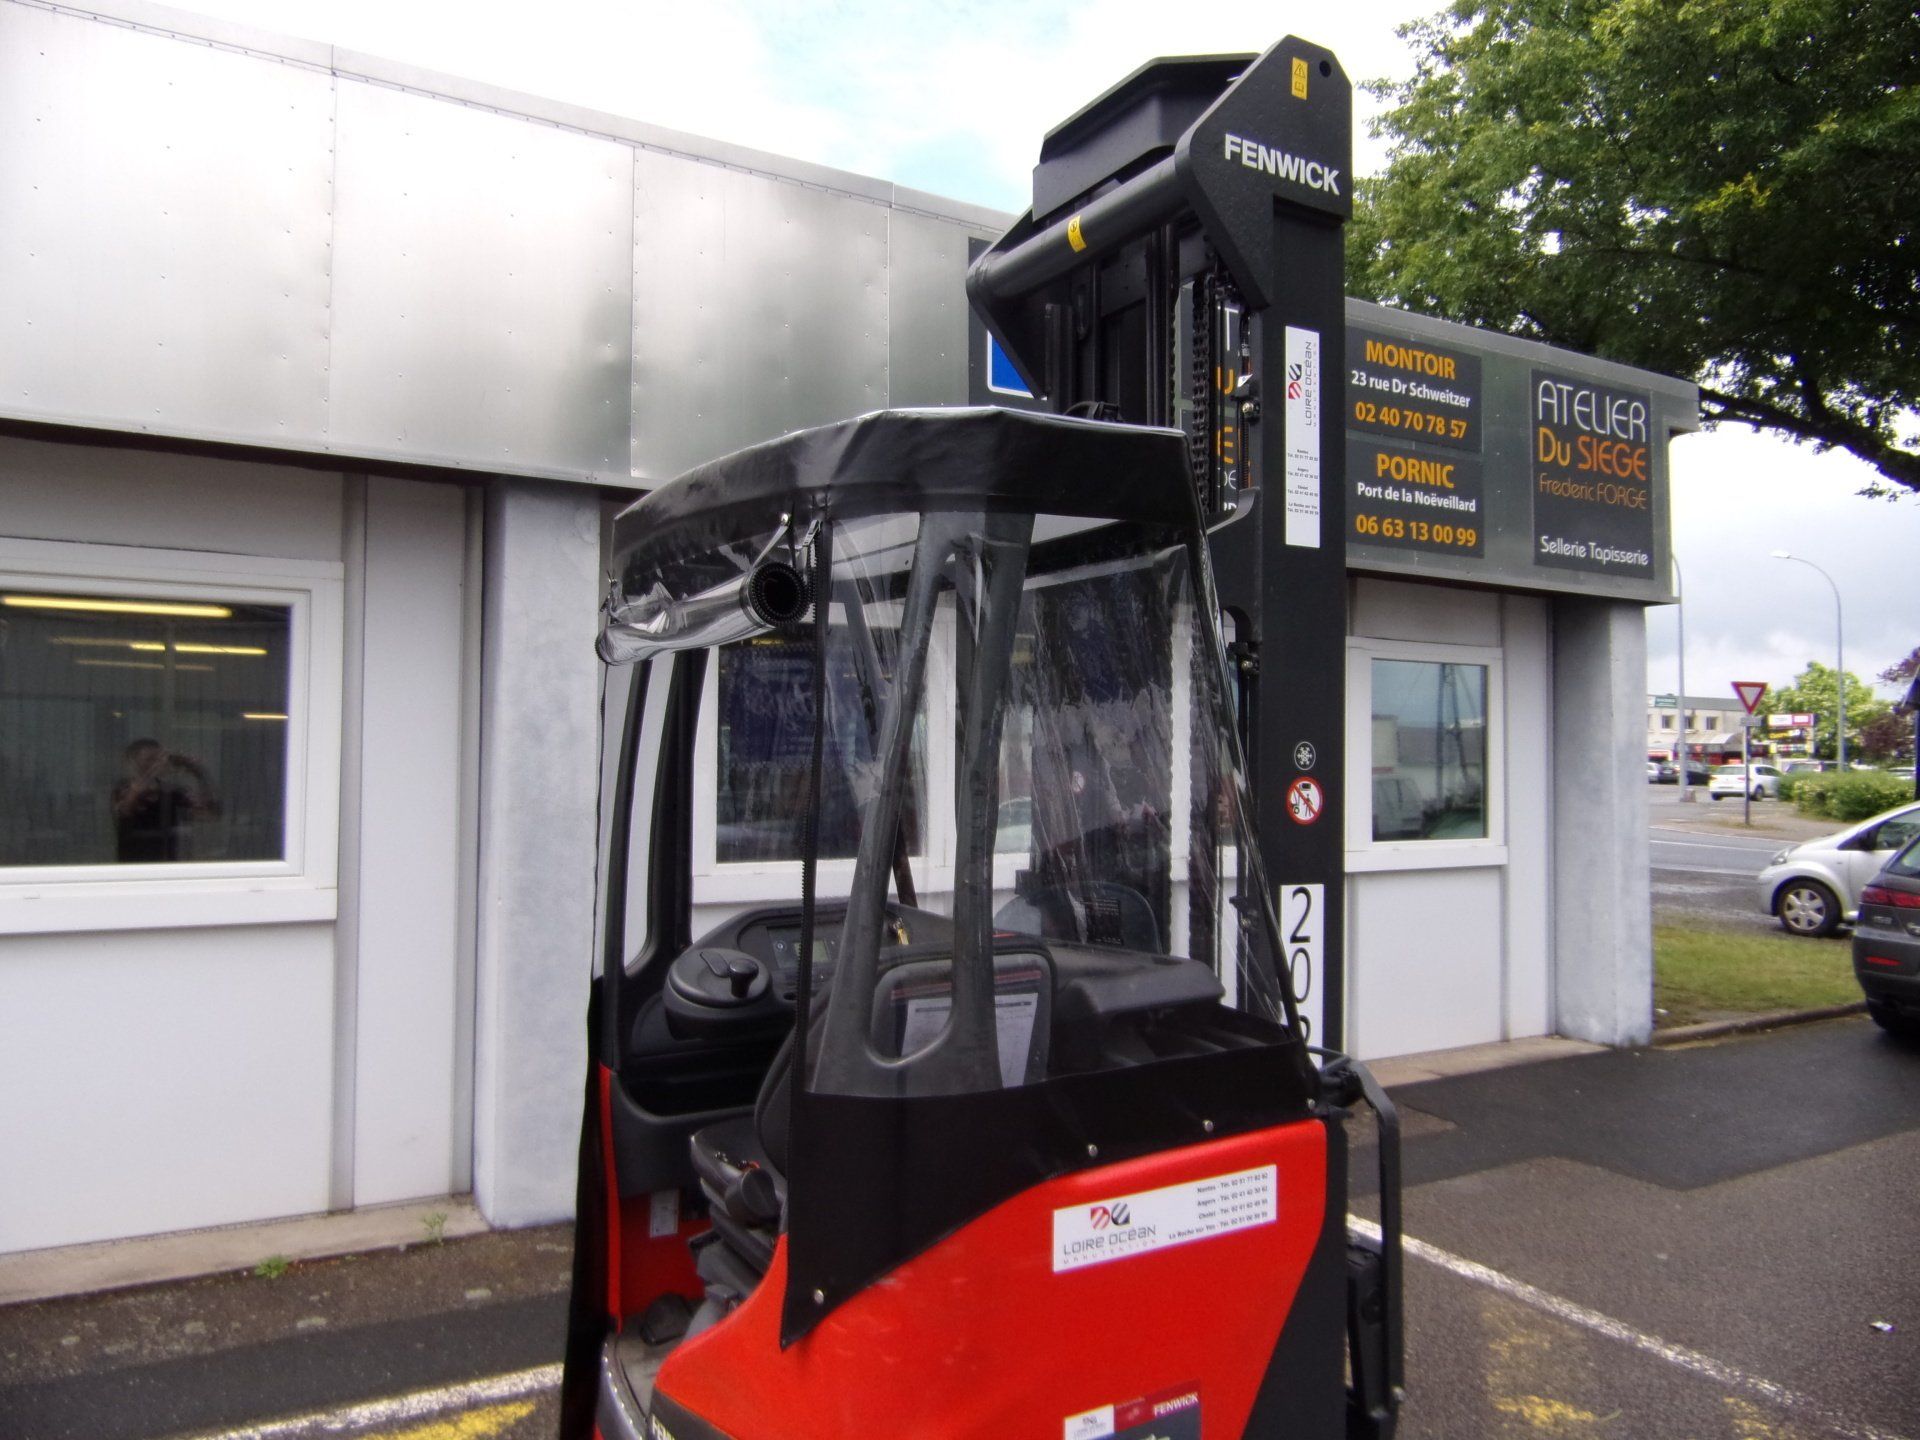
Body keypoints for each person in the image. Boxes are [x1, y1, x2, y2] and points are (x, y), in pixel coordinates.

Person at [111, 739, 220, 862]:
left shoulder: (171, 792)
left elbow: (209, 815)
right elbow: (124, 810)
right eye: (150, 759)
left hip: (166, 865)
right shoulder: (123, 788)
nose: (158, 763)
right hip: (134, 865)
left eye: (159, 759)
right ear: (133, 762)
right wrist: (153, 771)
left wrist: (198, 772)